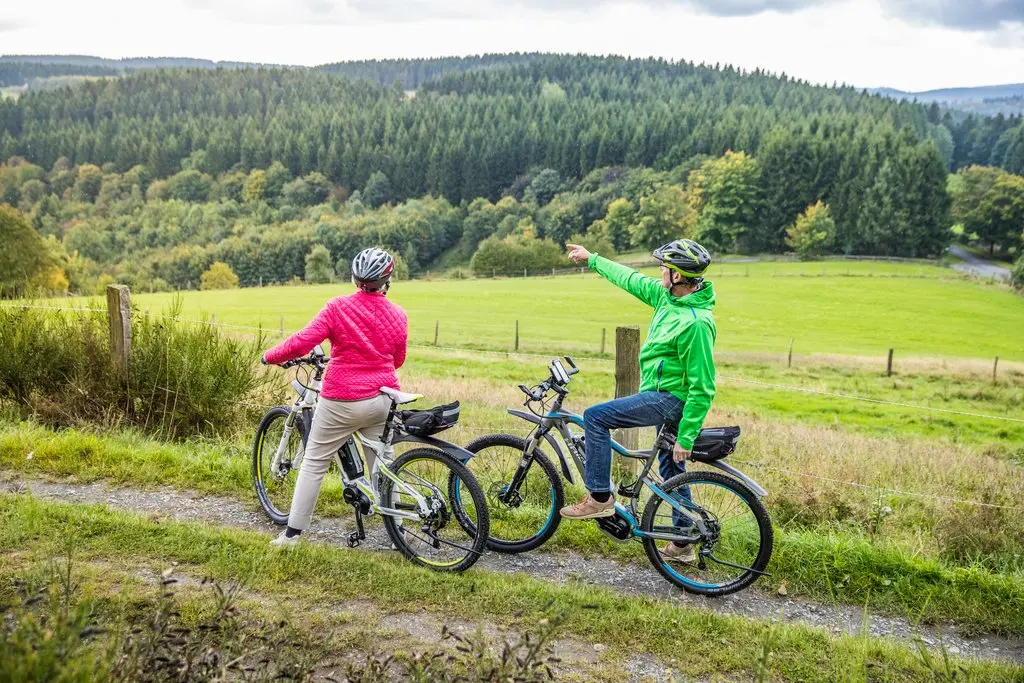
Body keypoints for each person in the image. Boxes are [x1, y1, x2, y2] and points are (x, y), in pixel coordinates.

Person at [559, 239, 716, 564]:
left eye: (665, 267)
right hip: (662, 395)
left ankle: (599, 497)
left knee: (595, 417)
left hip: (669, 400)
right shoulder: (665, 298)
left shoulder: (696, 323)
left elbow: (703, 386)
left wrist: (686, 435)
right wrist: (593, 258)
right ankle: (683, 543)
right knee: (672, 468)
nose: (660, 270)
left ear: (677, 276)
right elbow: (629, 279)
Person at [262, 247, 408, 548]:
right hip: (382, 399)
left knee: (315, 460)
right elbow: (398, 360)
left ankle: (292, 535)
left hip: (341, 400)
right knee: (383, 463)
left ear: (355, 279)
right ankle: (399, 533)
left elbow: (302, 341)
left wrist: (270, 356)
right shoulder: (399, 315)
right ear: (387, 280)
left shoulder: (337, 307)